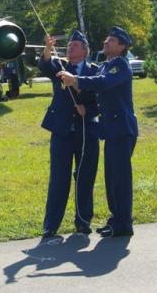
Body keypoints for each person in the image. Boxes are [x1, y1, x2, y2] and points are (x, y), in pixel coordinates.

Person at [58, 26, 138, 237]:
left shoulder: (120, 65)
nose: (105, 42)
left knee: (120, 179)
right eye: (106, 39)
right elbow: (97, 88)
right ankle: (116, 219)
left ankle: (124, 223)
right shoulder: (106, 66)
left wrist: (76, 80)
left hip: (122, 129)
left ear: (121, 47)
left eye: (111, 40)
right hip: (111, 131)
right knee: (111, 178)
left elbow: (103, 83)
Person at [38, 31, 99, 237]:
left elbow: (101, 99)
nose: (70, 48)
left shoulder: (94, 70)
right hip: (62, 132)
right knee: (58, 179)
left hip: (86, 132)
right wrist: (47, 48)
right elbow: (44, 65)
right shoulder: (60, 66)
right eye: (69, 45)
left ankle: (83, 221)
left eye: (75, 45)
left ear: (85, 51)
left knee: (85, 177)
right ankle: (51, 225)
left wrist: (87, 109)